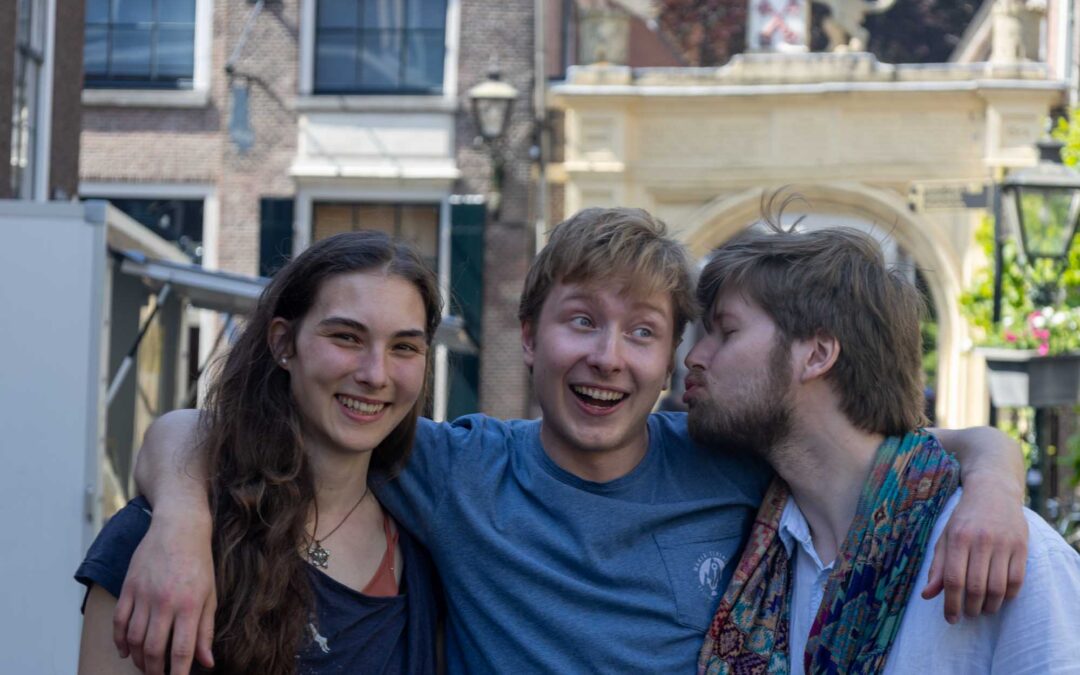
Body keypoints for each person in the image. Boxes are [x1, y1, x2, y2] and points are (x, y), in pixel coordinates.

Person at [115, 208, 1027, 674]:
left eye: (643, 332)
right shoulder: (456, 467)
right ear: (528, 336)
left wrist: (995, 475)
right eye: (581, 320)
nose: (607, 356)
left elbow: (916, 446)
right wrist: (181, 523)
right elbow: (195, 428)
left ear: (672, 359)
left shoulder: (728, 459)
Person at [687, 223, 1080, 673]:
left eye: (727, 332)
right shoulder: (749, 533)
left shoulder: (1009, 557)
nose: (695, 357)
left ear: (817, 354)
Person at [76, 232, 442, 674]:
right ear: (283, 343)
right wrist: (179, 517)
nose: (375, 374)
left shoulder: (429, 550)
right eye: (347, 337)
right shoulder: (159, 540)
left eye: (404, 347)